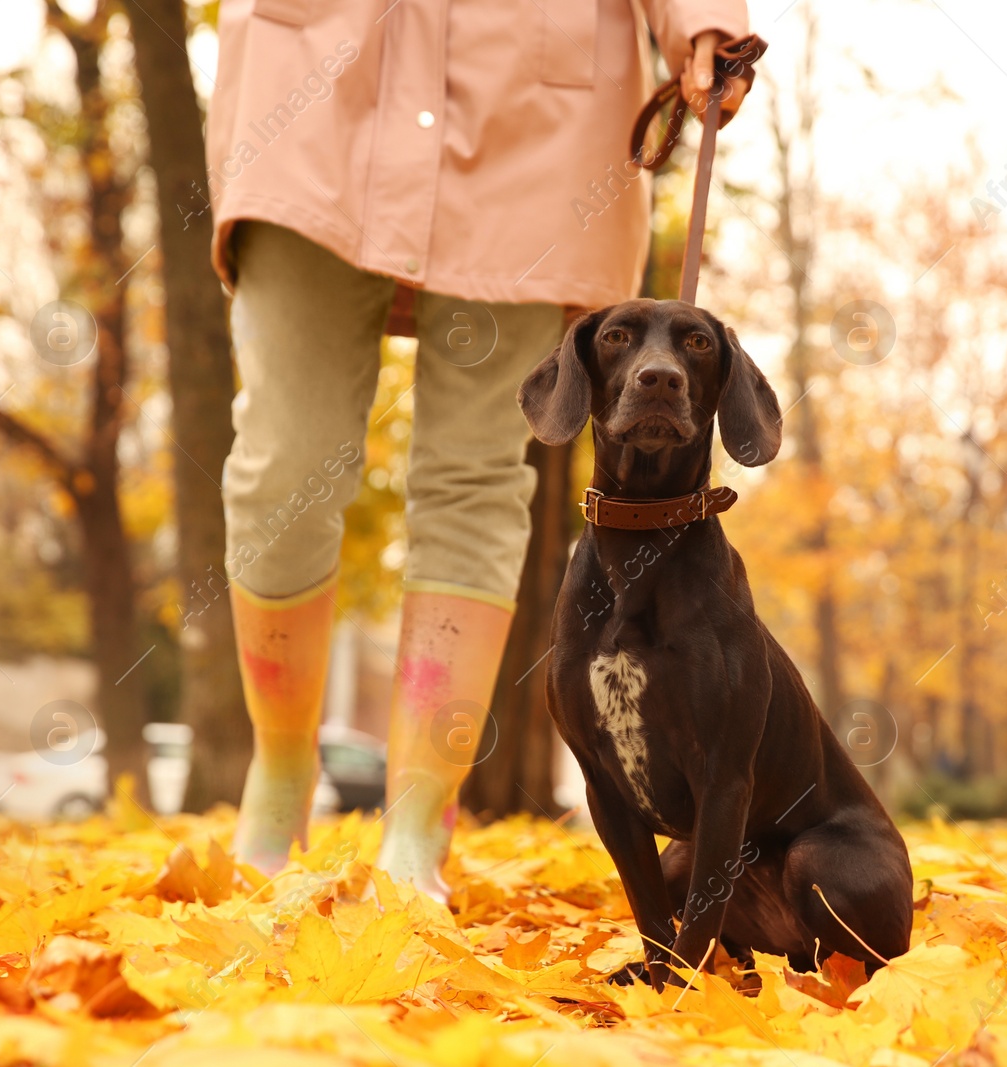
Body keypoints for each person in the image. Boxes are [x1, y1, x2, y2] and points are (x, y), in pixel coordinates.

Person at [204, 0, 754, 899]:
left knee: (478, 473)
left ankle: (420, 823)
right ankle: (278, 772)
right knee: (283, 462)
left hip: (533, 112)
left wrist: (703, 19)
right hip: (316, 85)